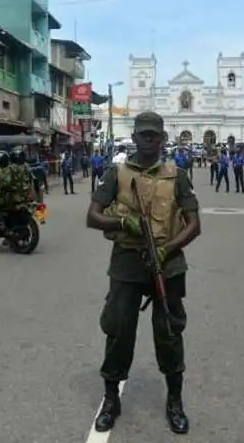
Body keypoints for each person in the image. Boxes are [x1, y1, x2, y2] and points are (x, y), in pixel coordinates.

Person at [86, 111, 201, 435]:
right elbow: (92, 217)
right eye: (143, 135)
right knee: (119, 329)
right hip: (127, 259)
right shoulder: (117, 173)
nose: (149, 140)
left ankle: (174, 401)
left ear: (163, 139)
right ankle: (111, 400)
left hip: (168, 261)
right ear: (134, 137)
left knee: (169, 331)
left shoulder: (176, 175)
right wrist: (124, 222)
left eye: (154, 135)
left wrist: (167, 249)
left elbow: (194, 225)